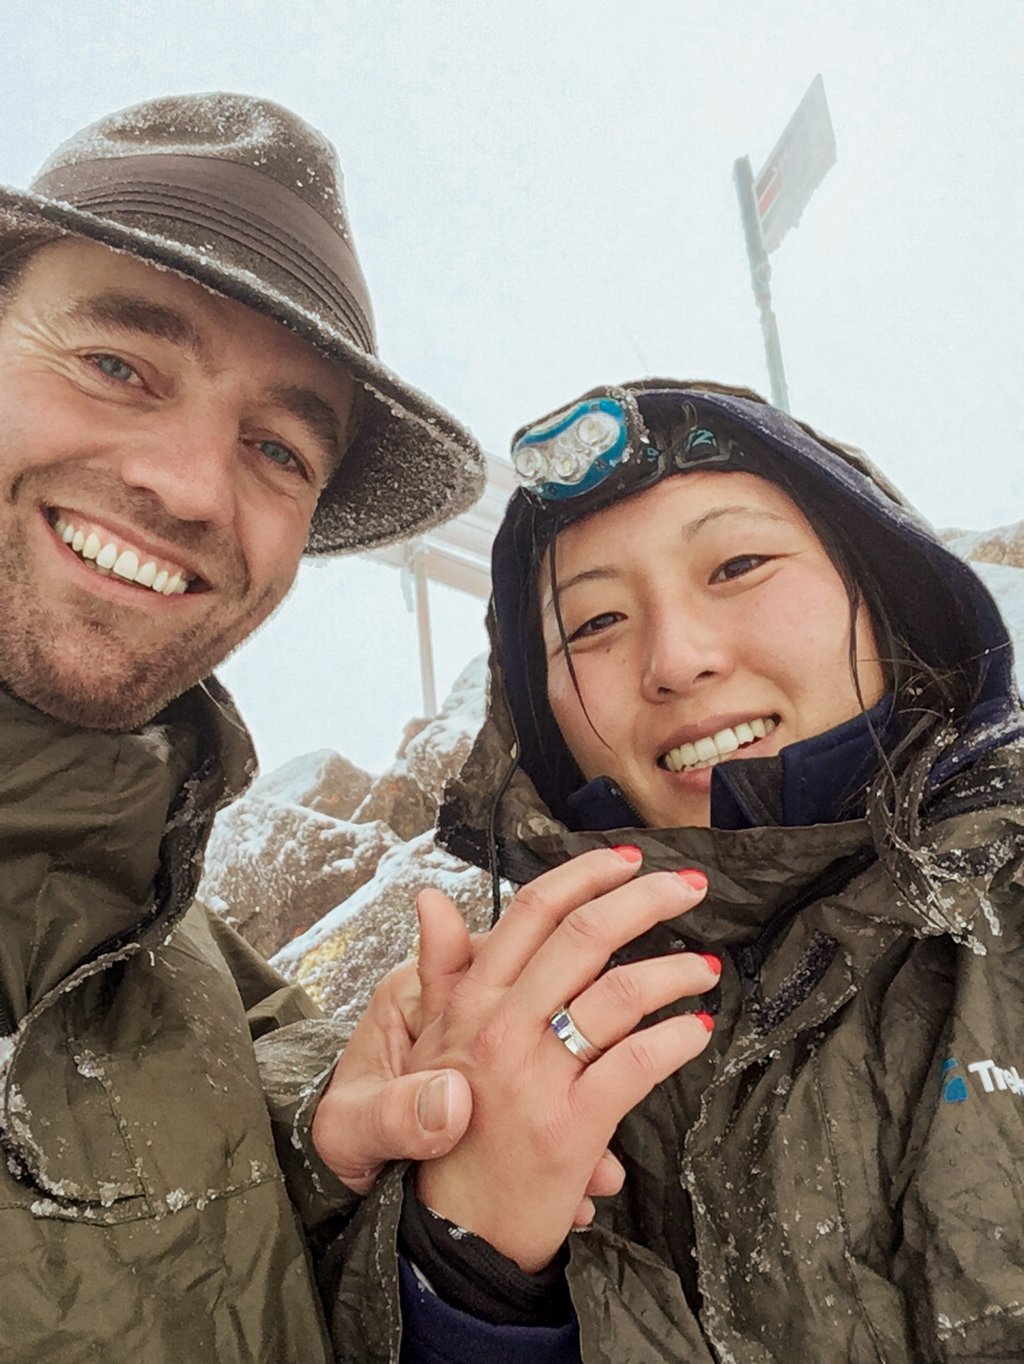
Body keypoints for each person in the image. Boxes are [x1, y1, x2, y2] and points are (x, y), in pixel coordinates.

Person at [326, 380, 1024, 1362]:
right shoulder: (482, 1026)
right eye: (594, 624)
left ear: (886, 598)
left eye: (736, 564)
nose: (675, 657)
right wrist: (465, 1274)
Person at [0, 89, 498, 1361]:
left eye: (278, 448)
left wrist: (331, 1146)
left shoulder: (182, 952)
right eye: (116, 365)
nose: (186, 485)